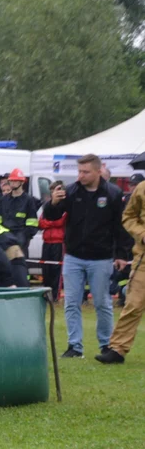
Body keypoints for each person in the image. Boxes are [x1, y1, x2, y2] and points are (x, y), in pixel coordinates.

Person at [43, 154, 130, 358]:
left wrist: (121, 254)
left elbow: (121, 227)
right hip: (73, 256)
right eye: (79, 171)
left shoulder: (113, 193)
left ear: (98, 171)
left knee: (102, 302)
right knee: (72, 302)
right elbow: (52, 216)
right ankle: (75, 347)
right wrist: (53, 204)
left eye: (85, 172)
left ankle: (106, 345)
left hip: (101, 258)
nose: (80, 176)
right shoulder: (71, 191)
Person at [98, 175, 145, 363]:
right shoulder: (141, 188)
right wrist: (141, 233)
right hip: (143, 258)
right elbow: (128, 217)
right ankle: (117, 349)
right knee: (133, 304)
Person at [0, 168, 39, 249]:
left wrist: (25, 237)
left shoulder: (28, 200)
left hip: (21, 241)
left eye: (15, 181)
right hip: (5, 239)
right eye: (11, 181)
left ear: (22, 182)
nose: (12, 183)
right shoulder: (4, 199)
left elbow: (32, 223)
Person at [38, 192, 66, 295]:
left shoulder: (64, 207)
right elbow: (41, 223)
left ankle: (55, 295)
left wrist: (49, 223)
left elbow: (61, 221)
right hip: (46, 242)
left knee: (56, 270)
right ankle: (46, 293)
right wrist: (52, 223)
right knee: (46, 270)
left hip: (58, 242)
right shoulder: (47, 207)